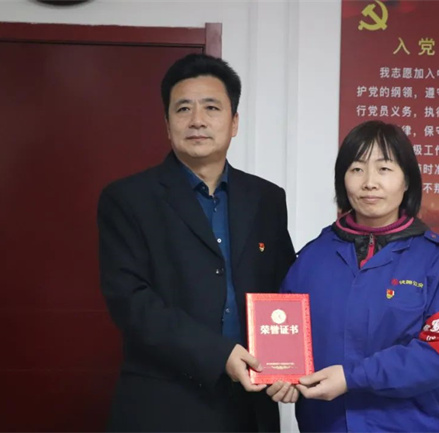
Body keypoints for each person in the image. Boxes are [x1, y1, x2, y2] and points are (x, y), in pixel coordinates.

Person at [97, 53, 296, 432]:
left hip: (251, 406)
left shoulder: (267, 199)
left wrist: (288, 364)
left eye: (211, 107)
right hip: (163, 405)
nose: (197, 120)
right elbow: (131, 302)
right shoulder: (128, 199)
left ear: (234, 122)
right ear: (167, 124)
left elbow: (283, 289)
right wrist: (220, 355)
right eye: (183, 108)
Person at [268, 120, 439, 432]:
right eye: (357, 169)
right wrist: (281, 376)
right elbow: (282, 338)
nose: (369, 182)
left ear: (407, 180)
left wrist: (352, 377)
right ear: (343, 180)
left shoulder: (438, 260)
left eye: (384, 168)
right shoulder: (311, 258)